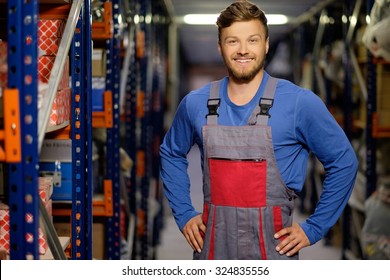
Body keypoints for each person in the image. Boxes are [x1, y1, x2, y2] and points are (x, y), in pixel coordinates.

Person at [160, 0, 358, 260]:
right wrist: (185, 213)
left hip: (273, 253)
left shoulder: (299, 103)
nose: (243, 50)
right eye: (233, 41)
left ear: (265, 45)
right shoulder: (195, 103)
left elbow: (343, 162)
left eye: (252, 40)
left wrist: (313, 228)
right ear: (220, 47)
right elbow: (171, 153)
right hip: (212, 252)